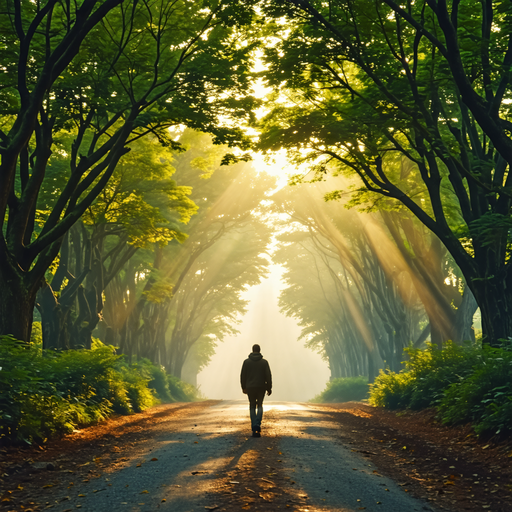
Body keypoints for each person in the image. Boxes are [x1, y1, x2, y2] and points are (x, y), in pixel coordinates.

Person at [240, 344, 272, 438]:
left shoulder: (246, 362)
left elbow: (243, 375)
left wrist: (244, 387)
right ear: (259, 350)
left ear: (252, 350)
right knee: (260, 405)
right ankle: (258, 424)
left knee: (252, 405)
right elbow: (268, 376)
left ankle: (254, 424)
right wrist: (269, 387)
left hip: (250, 387)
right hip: (261, 387)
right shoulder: (264, 362)